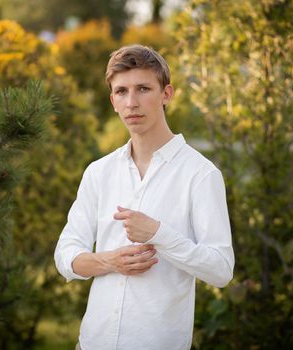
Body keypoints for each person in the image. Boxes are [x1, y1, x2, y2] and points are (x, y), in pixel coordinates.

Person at [54, 45, 234, 350]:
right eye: (121, 91)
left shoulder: (201, 175)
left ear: (166, 94)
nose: (132, 102)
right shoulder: (99, 173)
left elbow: (221, 270)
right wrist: (110, 260)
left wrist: (160, 234)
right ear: (112, 101)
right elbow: (65, 255)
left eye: (143, 89)